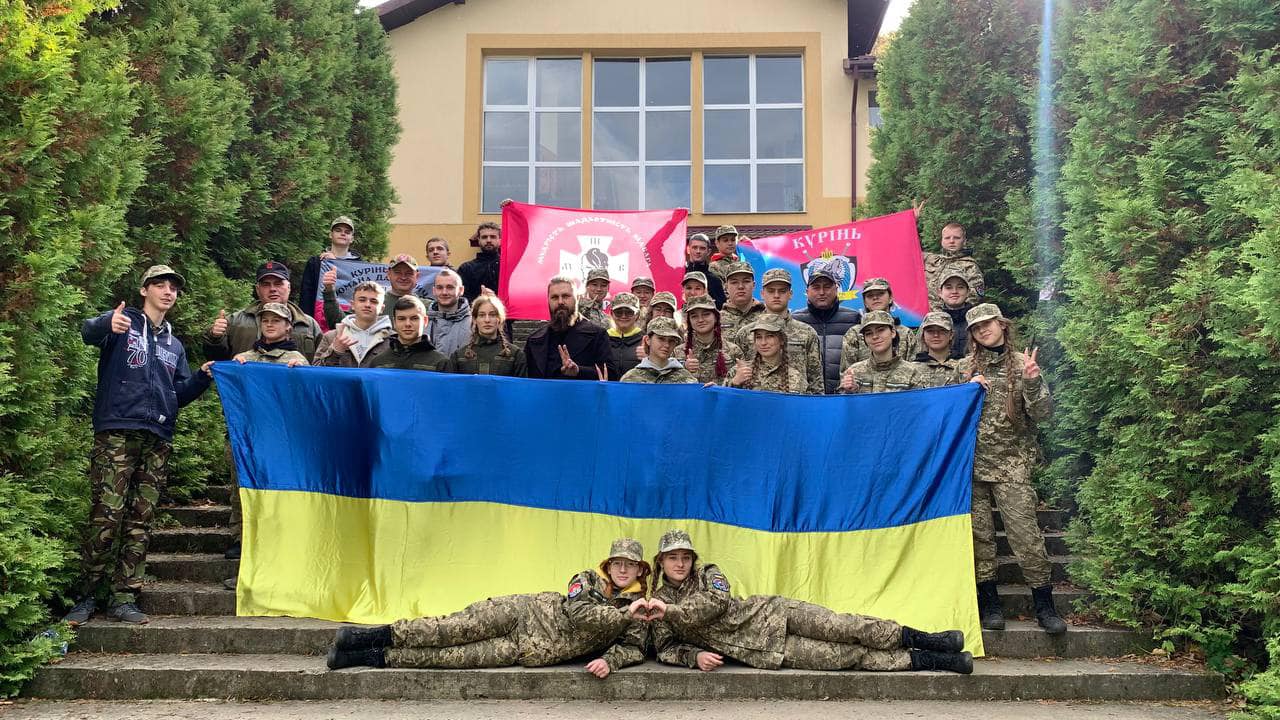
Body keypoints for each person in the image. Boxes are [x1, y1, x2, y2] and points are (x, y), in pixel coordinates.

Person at [63, 265, 215, 626]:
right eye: (159, 285)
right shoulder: (123, 322)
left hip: (157, 437)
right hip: (117, 431)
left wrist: (201, 377)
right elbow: (87, 331)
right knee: (106, 514)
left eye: (173, 287)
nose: (167, 291)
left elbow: (178, 395)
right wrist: (106, 324)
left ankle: (125, 597)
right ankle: (87, 597)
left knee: (140, 520)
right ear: (144, 290)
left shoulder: (175, 344)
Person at [644, 530, 972, 674]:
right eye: (673, 558)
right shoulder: (657, 602)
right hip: (764, 650)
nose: (680, 564)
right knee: (846, 657)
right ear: (661, 562)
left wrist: (670, 611)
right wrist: (694, 656)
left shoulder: (708, 574)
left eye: (685, 557)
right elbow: (666, 647)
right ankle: (928, 660)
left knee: (848, 627)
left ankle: (928, 639)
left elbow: (714, 603)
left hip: (774, 614)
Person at [324, 538, 649, 672]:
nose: (622, 570)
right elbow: (582, 615)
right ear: (608, 565)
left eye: (630, 565)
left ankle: (367, 657)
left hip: (529, 649)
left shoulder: (638, 607)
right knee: (448, 630)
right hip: (520, 614)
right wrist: (625, 614)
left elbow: (634, 647)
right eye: (617, 563)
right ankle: (366, 636)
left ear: (639, 570)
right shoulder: (587, 580)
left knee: (451, 658)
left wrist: (610, 661)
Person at [957, 303, 1065, 636]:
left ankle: (1044, 605)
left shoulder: (1022, 364)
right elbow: (945, 412)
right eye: (976, 327)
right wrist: (965, 388)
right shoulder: (963, 368)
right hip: (972, 467)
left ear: (1002, 324)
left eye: (988, 324)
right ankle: (990, 605)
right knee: (980, 539)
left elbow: (1043, 414)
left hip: (1012, 466)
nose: (983, 330)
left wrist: (1031, 382)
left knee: (1025, 535)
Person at [203, 261, 325, 363]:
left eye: (278, 283)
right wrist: (215, 338)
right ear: (257, 289)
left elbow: (320, 366)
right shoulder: (235, 321)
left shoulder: (308, 325)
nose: (272, 289)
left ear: (289, 287)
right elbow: (216, 361)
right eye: (266, 285)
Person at [737, 269, 823, 395]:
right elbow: (735, 377)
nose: (776, 295)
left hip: (795, 401)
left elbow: (816, 382)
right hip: (754, 402)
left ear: (790, 294)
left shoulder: (807, 333)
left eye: (782, 291)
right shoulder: (746, 333)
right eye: (771, 291)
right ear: (762, 294)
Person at [524, 275, 616, 380]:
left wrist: (579, 371)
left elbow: (610, 375)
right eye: (554, 297)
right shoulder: (534, 340)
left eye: (566, 296)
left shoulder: (597, 335)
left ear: (577, 298)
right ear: (548, 300)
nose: (560, 302)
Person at [793, 266, 862, 394]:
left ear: (836, 289)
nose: (822, 292)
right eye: (816, 287)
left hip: (844, 397)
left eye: (827, 287)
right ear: (807, 291)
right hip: (806, 398)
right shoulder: (795, 320)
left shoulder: (854, 318)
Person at [839, 311, 927, 394]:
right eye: (869, 333)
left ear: (893, 333)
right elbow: (843, 402)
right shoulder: (854, 372)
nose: (875, 336)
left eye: (880, 330)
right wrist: (850, 391)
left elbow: (919, 403)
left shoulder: (912, 372)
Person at [839, 278, 917, 371]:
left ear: (890, 298)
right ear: (865, 302)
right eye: (870, 295)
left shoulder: (906, 333)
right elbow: (847, 373)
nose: (875, 298)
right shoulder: (854, 333)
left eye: (880, 293)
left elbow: (916, 371)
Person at [314, 281, 393, 368]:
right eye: (362, 300)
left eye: (374, 301)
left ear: (382, 308)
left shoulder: (393, 339)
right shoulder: (331, 337)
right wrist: (335, 352)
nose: (367, 305)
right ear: (353, 305)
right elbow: (315, 371)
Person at [444, 294, 527, 377]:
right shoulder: (459, 356)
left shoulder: (515, 355)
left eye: (492, 315)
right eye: (482, 315)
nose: (487, 320)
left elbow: (521, 384)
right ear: (475, 319)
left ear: (499, 319)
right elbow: (451, 384)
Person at [300, 216, 361, 326]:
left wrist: (336, 262)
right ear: (330, 235)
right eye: (338, 230)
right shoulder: (315, 262)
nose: (343, 234)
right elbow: (306, 295)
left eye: (347, 232)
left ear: (352, 238)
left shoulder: (360, 265)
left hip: (350, 321)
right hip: (318, 320)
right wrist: (306, 323)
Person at [726, 315, 807, 394]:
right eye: (758, 337)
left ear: (782, 340)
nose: (763, 343)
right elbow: (724, 400)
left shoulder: (795, 377)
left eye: (770, 336)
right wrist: (735, 383)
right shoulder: (740, 372)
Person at [678, 295, 743, 386]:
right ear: (689, 321)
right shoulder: (678, 352)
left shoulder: (733, 351)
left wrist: (729, 384)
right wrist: (683, 367)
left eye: (706, 314)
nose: (700, 320)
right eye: (694, 316)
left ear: (716, 317)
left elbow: (743, 386)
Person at [369, 296, 448, 371]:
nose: (407, 324)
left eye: (414, 318)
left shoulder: (440, 363)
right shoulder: (378, 363)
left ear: (425, 321)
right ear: (394, 322)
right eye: (401, 319)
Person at [923, 222, 984, 310]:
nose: (951, 241)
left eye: (956, 238)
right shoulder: (931, 260)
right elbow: (906, 250)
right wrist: (911, 221)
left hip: (952, 317)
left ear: (964, 241)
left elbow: (973, 299)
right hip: (922, 316)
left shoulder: (970, 266)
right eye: (947, 238)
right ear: (942, 241)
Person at [620, 318, 699, 384]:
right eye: (661, 338)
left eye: (671, 340)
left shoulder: (686, 379)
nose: (667, 345)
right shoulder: (631, 379)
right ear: (647, 340)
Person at [231, 303, 310, 368]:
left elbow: (308, 382)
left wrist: (300, 372)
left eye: (276, 320)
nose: (269, 324)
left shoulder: (297, 360)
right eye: (265, 321)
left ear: (288, 326)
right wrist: (234, 367)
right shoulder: (244, 358)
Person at [427, 268, 471, 357]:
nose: (444, 292)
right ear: (434, 291)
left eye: (450, 287)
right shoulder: (422, 322)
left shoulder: (474, 323)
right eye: (440, 288)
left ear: (461, 290)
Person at [913, 311, 962, 388]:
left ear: (951, 335)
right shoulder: (911, 369)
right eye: (930, 331)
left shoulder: (965, 365)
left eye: (942, 330)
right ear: (923, 335)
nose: (936, 335)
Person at [719, 262, 765, 340]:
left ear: (753, 285)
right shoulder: (716, 319)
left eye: (746, 281)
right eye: (734, 282)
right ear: (726, 287)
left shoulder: (767, 315)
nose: (740, 286)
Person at [457, 222, 501, 303]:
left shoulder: (509, 267)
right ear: (478, 240)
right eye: (484, 237)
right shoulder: (466, 268)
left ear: (500, 240)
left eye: (493, 237)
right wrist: (481, 300)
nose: (488, 240)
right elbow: (461, 296)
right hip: (475, 310)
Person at [606, 292, 644, 377]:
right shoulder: (602, 339)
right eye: (618, 312)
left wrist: (650, 359)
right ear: (611, 313)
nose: (623, 316)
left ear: (637, 314)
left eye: (629, 312)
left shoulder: (647, 340)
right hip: (608, 385)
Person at [937, 272, 974, 358]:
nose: (954, 291)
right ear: (940, 292)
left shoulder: (979, 320)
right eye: (948, 287)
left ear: (968, 292)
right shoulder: (931, 322)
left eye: (960, 287)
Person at [685, 233, 725, 307]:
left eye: (702, 248)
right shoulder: (679, 275)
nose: (698, 251)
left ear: (708, 252)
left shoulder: (714, 280)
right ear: (688, 249)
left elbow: (721, 307)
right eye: (694, 247)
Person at [381, 254, 421, 319]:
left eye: (409, 273)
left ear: (417, 276)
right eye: (398, 272)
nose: (403, 277)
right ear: (388, 274)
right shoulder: (377, 304)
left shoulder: (426, 306)